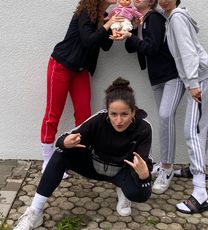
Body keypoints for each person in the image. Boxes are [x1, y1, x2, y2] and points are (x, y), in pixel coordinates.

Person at [13, 77, 153, 229]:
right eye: (113, 114)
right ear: (107, 111)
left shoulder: (144, 128)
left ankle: (123, 191)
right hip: (94, 166)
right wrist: (65, 142)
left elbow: (145, 181)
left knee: (139, 194)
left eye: (124, 114)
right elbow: (63, 139)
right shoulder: (99, 120)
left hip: (122, 172)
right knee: (61, 152)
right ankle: (35, 212)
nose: (118, 120)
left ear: (133, 112)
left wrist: (144, 175)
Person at [40, 0, 123, 173]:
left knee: (84, 115)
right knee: (53, 114)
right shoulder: (85, 12)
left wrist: (115, 28)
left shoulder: (103, 16)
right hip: (61, 65)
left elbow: (105, 44)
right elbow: (87, 41)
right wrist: (107, 22)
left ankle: (77, 157)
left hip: (80, 71)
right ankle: (47, 160)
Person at [112, 0, 185, 194]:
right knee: (163, 120)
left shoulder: (153, 17)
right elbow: (130, 47)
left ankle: (167, 168)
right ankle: (163, 164)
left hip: (172, 76)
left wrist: (132, 36)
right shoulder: (141, 20)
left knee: (164, 117)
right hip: (157, 78)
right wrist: (129, 30)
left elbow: (151, 48)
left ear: (152, 1)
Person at [156, 0, 208, 214]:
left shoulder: (178, 18)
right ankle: (194, 169)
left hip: (200, 81)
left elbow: (188, 53)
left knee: (192, 131)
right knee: (201, 127)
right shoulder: (173, 18)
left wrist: (192, 83)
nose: (163, 0)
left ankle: (200, 193)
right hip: (203, 79)